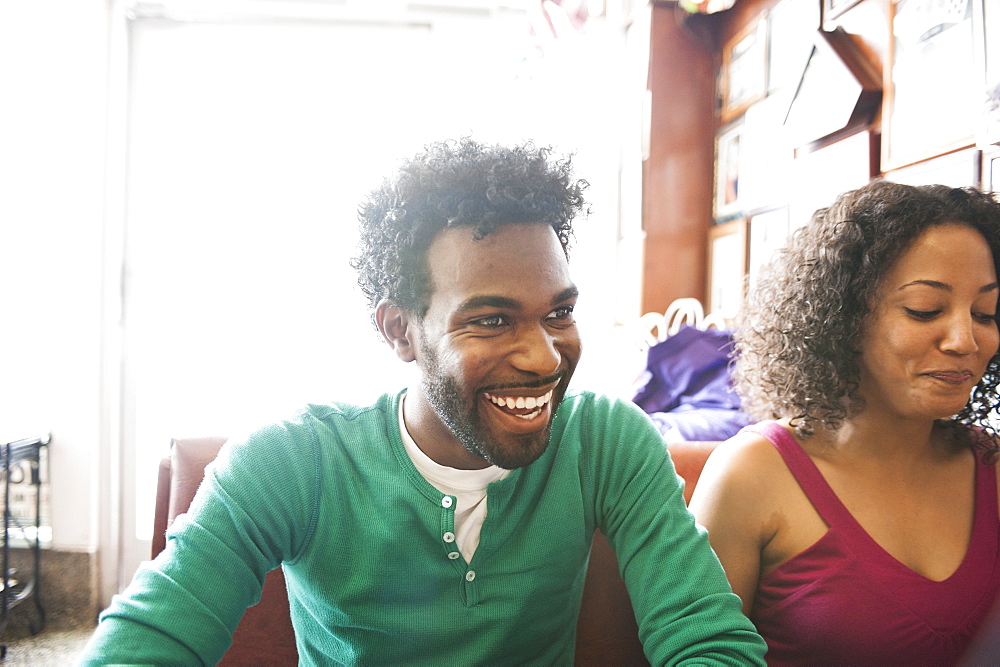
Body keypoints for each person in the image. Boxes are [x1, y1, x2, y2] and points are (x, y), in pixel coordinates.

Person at [81, 138, 766, 665]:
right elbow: (146, 640)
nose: (544, 356)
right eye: (491, 320)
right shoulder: (294, 459)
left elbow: (711, 641)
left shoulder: (608, 440)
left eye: (558, 311)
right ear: (399, 330)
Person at [689, 180, 1000, 665]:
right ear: (843, 318)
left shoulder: (992, 467)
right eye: (925, 310)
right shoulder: (753, 473)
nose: (966, 340)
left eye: (985, 313)